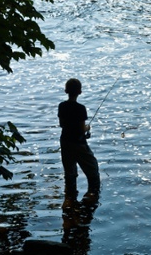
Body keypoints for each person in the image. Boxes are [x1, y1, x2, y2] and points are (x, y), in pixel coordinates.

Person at [58, 78, 100, 208]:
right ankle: (92, 196)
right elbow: (82, 128)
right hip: (79, 143)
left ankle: (70, 199)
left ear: (66, 91)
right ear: (80, 92)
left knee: (69, 173)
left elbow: (62, 124)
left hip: (65, 141)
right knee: (92, 169)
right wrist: (87, 128)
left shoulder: (62, 106)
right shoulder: (81, 108)